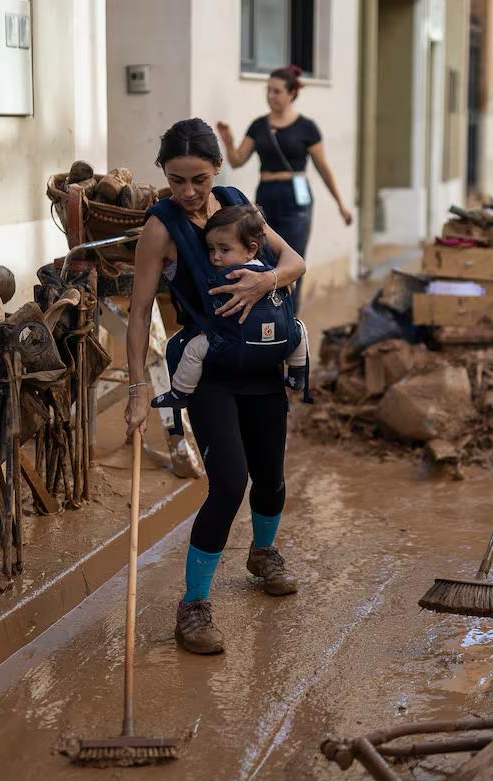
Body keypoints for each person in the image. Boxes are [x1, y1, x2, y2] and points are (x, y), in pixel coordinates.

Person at [125, 119, 307, 655]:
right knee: (229, 483)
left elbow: (294, 261)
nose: (187, 192)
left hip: (261, 367)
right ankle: (194, 607)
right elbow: (138, 315)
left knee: (271, 478)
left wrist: (264, 278)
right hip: (209, 375)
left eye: (198, 179)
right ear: (164, 173)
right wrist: (138, 387)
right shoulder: (160, 228)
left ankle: (263, 553)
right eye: (176, 179)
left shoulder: (235, 206)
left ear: (217, 171)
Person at [216, 65, 352, 309]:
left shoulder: (306, 128)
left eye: (277, 91)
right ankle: (268, 315)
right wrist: (228, 142)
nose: (271, 96)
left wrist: (341, 204)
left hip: (295, 198)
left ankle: (291, 318)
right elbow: (237, 161)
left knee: (292, 259)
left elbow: (323, 168)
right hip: (265, 195)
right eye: (268, 90)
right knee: (263, 254)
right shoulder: (258, 125)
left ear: (291, 94)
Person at [150, 203, 310, 409]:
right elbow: (293, 273)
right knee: (299, 328)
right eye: (211, 249)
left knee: (194, 349)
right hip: (276, 343)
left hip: (234, 345)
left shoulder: (226, 275)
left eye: (224, 249)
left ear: (251, 250)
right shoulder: (268, 270)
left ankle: (180, 392)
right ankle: (297, 373)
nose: (216, 256)